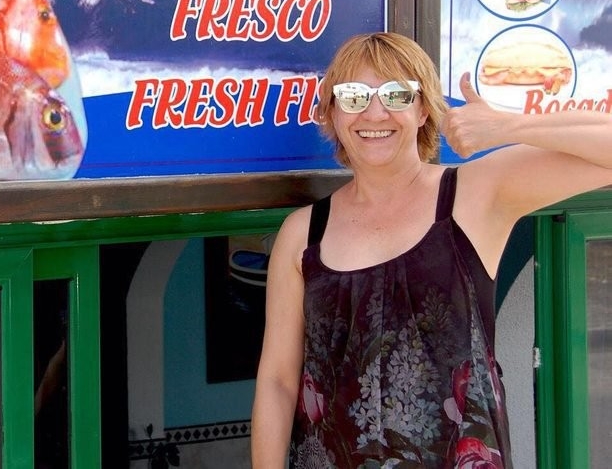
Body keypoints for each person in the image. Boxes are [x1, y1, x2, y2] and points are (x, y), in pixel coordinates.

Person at [251, 32, 612, 468]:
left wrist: (508, 126)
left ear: (423, 109)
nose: (374, 111)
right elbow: (278, 381)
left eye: (396, 94)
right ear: (331, 112)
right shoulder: (304, 233)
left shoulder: (474, 195)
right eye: (353, 95)